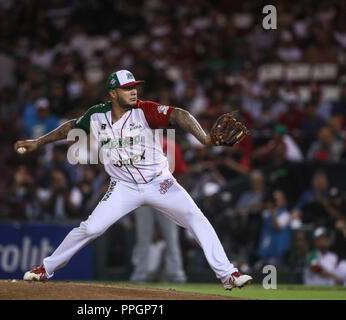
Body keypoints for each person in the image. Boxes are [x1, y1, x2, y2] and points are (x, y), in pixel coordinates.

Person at [15, 70, 252, 290]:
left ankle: (228, 274)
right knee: (91, 228)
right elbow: (70, 127)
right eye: (127, 88)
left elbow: (179, 115)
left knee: (195, 217)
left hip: (160, 183)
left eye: (134, 87)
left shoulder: (145, 110)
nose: (133, 91)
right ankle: (46, 268)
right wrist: (38, 142)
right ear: (112, 93)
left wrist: (205, 139)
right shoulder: (97, 115)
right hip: (123, 187)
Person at [129, 137, 187, 283]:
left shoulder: (171, 145)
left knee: (171, 238)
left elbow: (180, 172)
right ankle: (140, 274)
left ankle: (177, 275)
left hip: (166, 197)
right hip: (144, 198)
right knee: (143, 238)